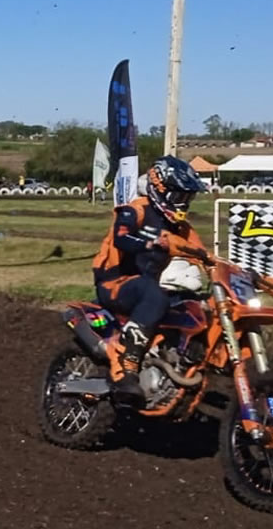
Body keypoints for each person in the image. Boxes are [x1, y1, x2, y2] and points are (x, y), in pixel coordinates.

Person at [91, 156, 208, 407]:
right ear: (160, 189)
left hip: (147, 287)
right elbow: (120, 237)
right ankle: (128, 364)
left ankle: (176, 363)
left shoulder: (182, 228)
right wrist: (150, 243)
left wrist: (238, 272)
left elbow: (204, 254)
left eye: (188, 197)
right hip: (116, 284)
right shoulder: (136, 210)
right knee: (154, 293)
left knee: (196, 303)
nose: (184, 203)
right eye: (180, 196)